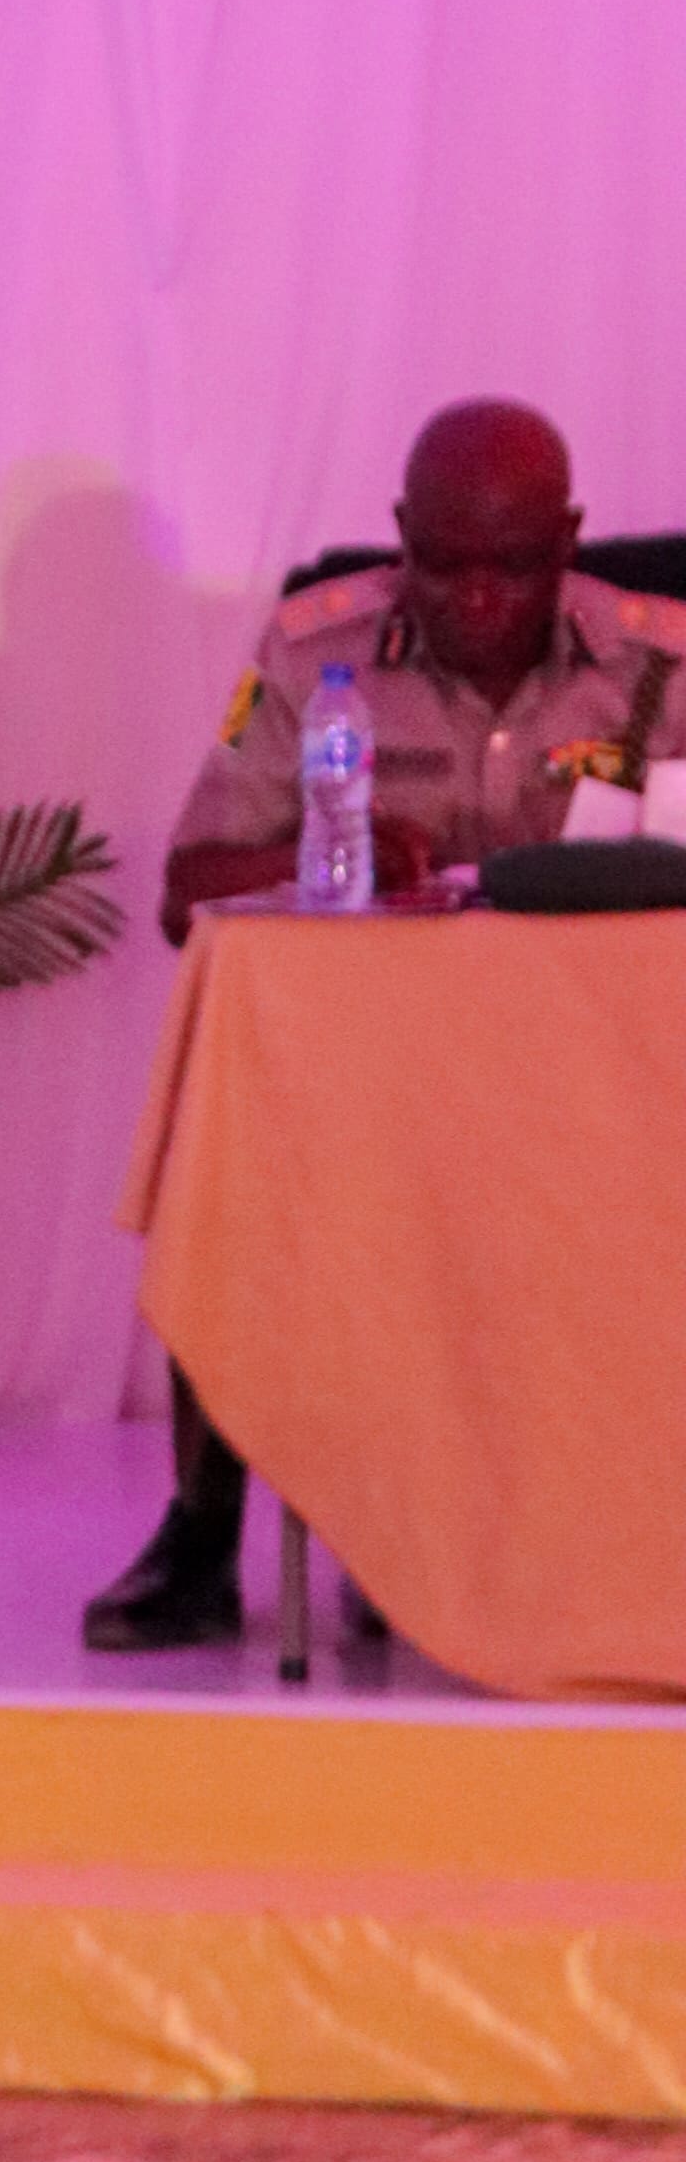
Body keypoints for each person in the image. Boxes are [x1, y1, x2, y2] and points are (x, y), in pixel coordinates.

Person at [86, 396, 686, 1650]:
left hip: (602, 1095)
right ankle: (201, 1531)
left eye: (513, 565)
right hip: (380, 1097)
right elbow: (186, 892)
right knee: (230, 1155)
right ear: (401, 534)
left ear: (568, 540)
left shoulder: (663, 665)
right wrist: (326, 844)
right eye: (443, 563)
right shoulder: (317, 653)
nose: (476, 598)